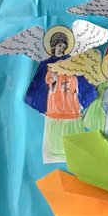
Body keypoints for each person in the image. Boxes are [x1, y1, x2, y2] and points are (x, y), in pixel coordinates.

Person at [24, 31, 97, 163]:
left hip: (70, 99)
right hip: (54, 99)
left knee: (70, 126)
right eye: (59, 46)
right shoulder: (46, 64)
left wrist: (72, 78)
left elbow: (81, 81)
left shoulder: (71, 61)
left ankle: (75, 153)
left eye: (63, 47)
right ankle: (54, 153)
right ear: (53, 46)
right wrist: (53, 79)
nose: (61, 49)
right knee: (55, 126)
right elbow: (40, 84)